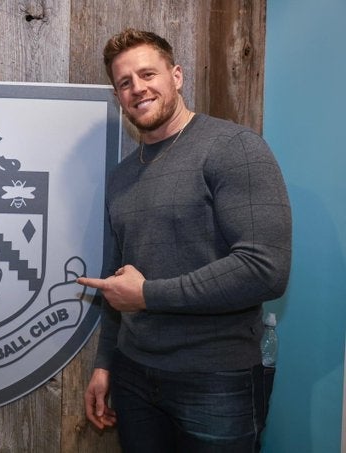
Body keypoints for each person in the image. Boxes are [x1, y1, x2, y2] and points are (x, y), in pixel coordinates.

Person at [77, 29, 292, 452]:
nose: (137, 88)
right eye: (124, 83)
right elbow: (117, 283)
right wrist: (105, 365)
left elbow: (265, 270)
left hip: (216, 381)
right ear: (117, 96)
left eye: (147, 74)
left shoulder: (234, 148)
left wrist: (148, 295)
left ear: (176, 76)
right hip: (134, 375)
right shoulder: (121, 176)